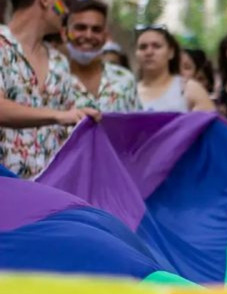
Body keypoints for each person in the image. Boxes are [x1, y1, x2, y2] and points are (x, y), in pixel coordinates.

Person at [0, 0, 100, 178]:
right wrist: (57, 115)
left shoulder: (58, 62)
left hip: (49, 195)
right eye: (65, 3)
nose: (67, 12)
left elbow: (90, 110)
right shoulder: (2, 46)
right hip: (6, 192)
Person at [64, 0, 140, 113]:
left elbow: (137, 125)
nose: (88, 35)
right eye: (81, 28)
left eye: (96, 30)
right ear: (65, 33)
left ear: (105, 35)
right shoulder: (54, 79)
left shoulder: (124, 79)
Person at [135, 26, 214, 113]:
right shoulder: (128, 93)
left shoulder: (190, 89)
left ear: (171, 52)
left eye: (157, 46)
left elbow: (211, 123)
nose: (149, 52)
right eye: (143, 47)